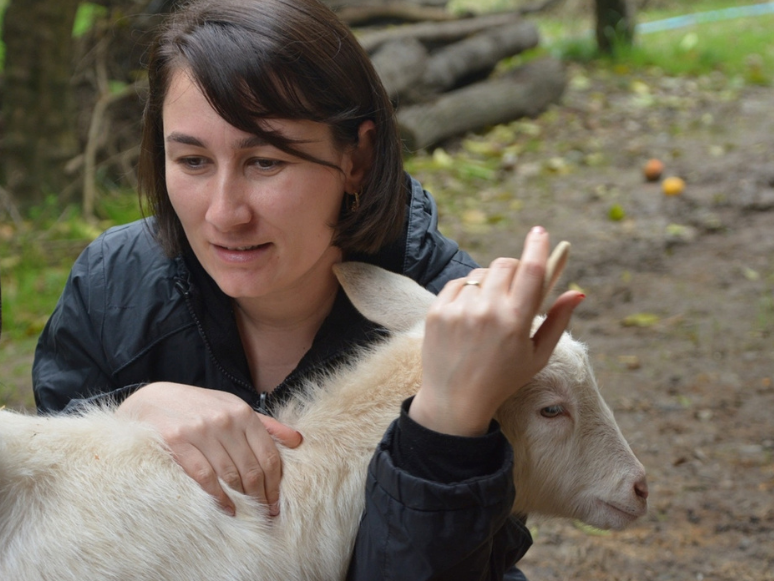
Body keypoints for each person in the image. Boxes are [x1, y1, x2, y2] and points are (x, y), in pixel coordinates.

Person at [32, 0, 583, 578]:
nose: (224, 214)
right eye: (192, 160)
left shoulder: (457, 319)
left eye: (265, 162)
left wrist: (446, 419)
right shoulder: (110, 286)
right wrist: (125, 418)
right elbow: (50, 530)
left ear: (357, 159)